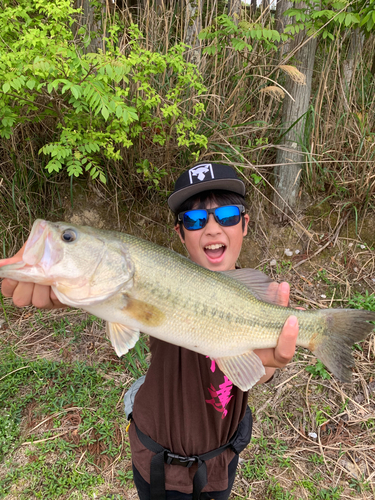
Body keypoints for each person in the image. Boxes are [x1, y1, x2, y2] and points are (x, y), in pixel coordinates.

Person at [1, 162, 298, 500]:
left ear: (245, 225)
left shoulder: (251, 297)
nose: (212, 229)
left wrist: (269, 365)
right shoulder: (147, 278)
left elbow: (254, 373)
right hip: (158, 463)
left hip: (220, 462)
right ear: (180, 233)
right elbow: (111, 297)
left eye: (227, 216)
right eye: (195, 220)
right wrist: (59, 286)